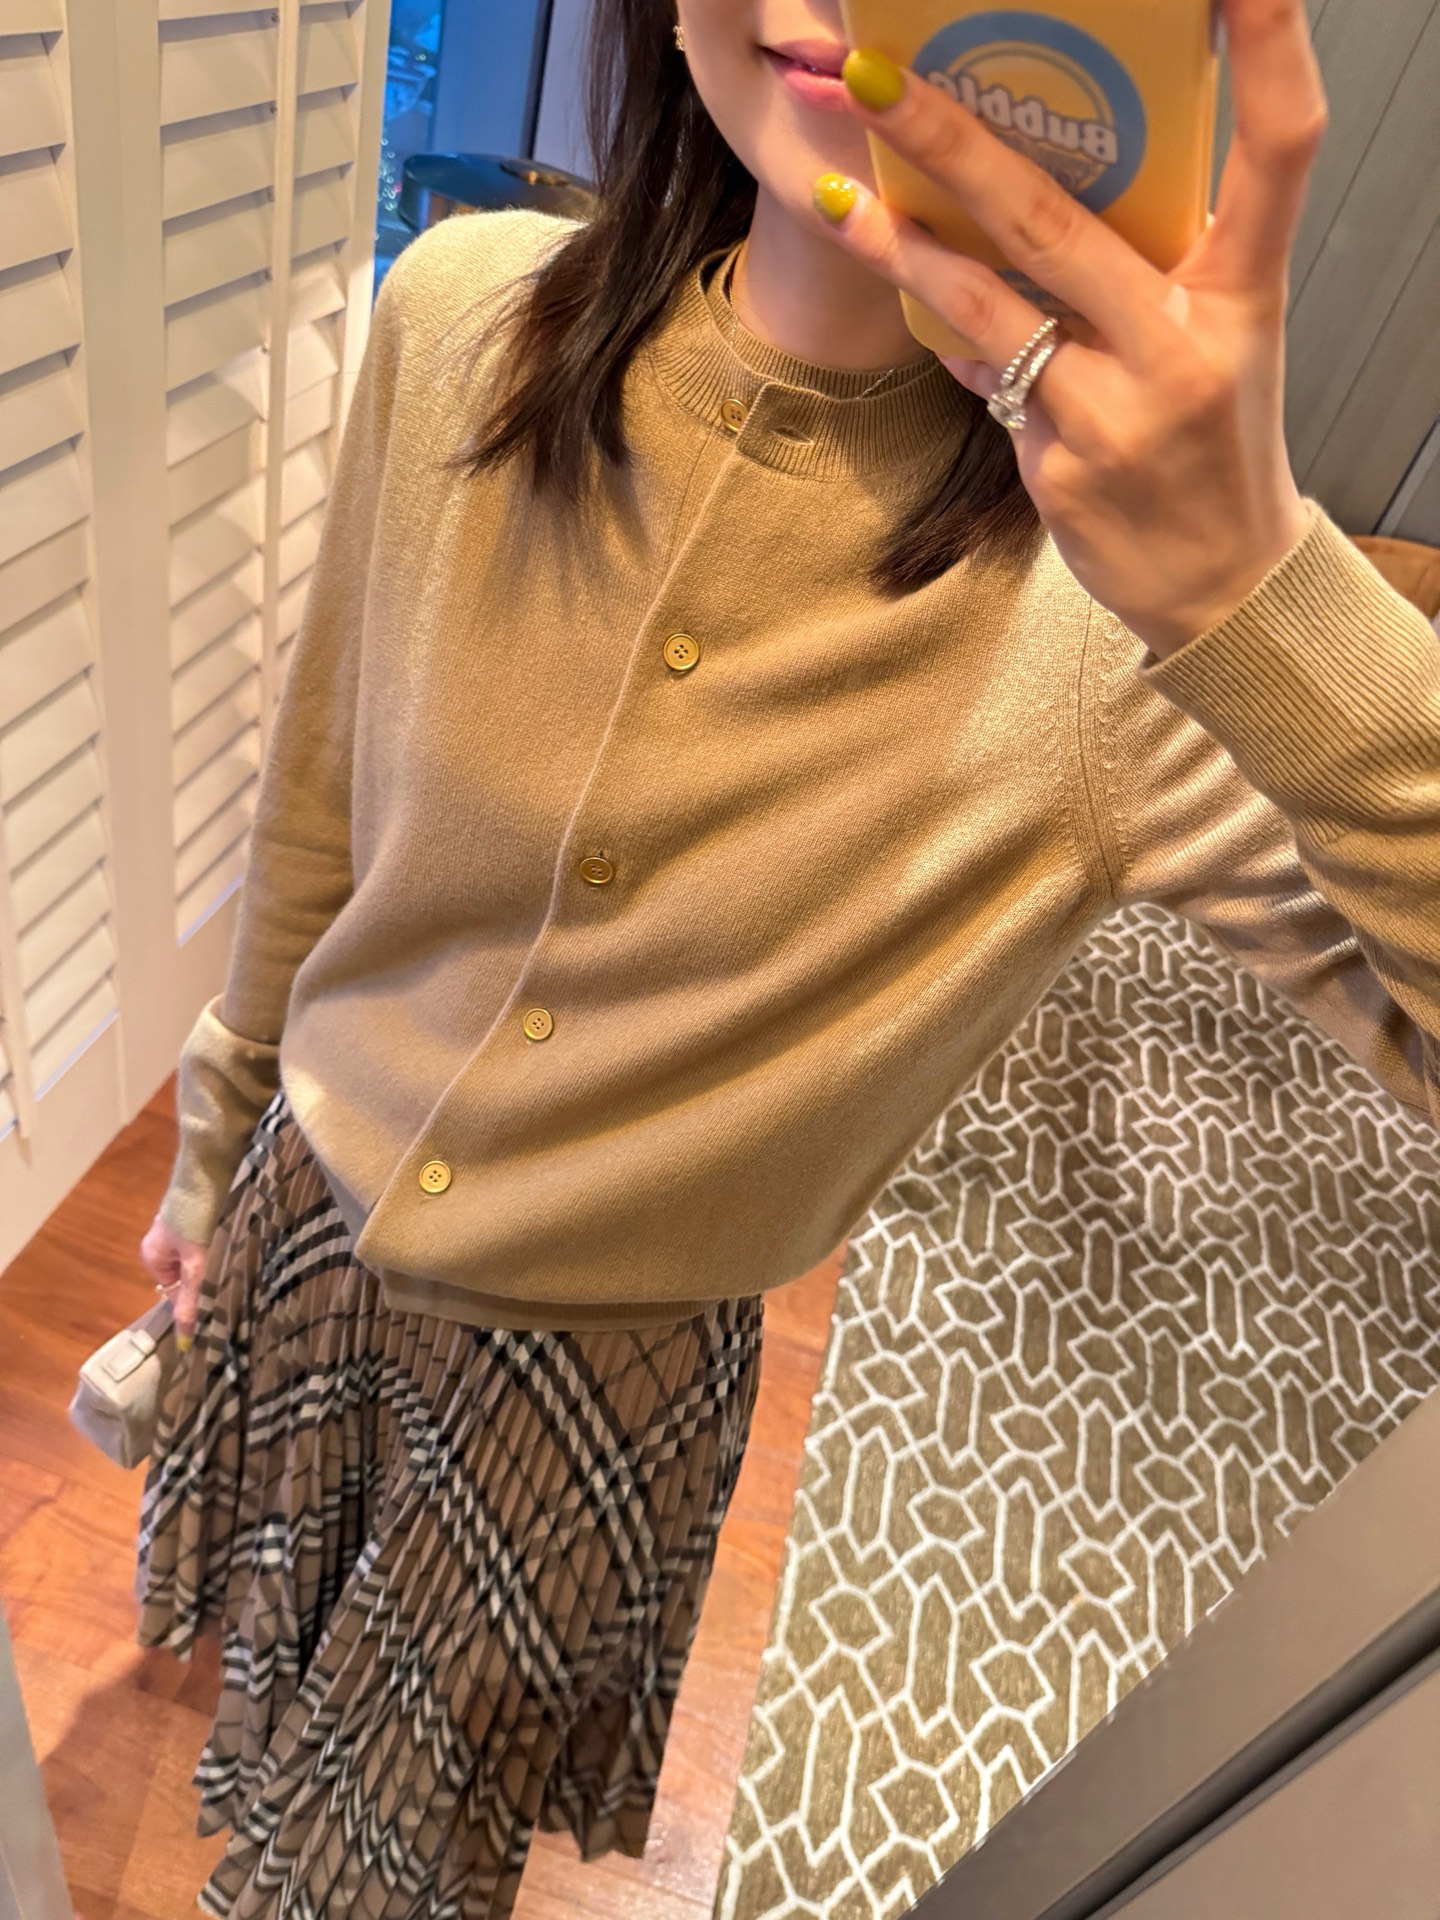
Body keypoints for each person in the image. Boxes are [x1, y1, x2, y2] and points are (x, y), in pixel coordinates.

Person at [135, 1, 1440, 1915]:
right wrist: (213, 1133)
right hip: (295, 1235)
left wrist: (1264, 594)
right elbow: (319, 797)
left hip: (584, 1395)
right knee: (268, 1691)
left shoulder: (1121, 628)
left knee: (379, 1865)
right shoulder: (459, 314)